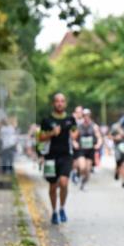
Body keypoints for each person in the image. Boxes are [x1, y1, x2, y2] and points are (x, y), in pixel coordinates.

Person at [38, 93, 79, 224]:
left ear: (65, 103)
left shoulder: (70, 119)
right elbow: (40, 137)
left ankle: (62, 208)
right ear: (53, 104)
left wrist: (74, 135)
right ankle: (54, 211)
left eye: (62, 101)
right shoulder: (46, 120)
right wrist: (52, 133)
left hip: (66, 155)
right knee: (52, 186)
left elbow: (75, 132)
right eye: (57, 101)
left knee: (64, 183)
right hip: (50, 157)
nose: (59, 103)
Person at [74, 109, 102, 190]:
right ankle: (78, 174)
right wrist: (75, 143)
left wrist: (98, 144)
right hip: (81, 150)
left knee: (87, 170)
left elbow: (99, 137)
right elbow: (73, 138)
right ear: (82, 116)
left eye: (87, 115)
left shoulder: (94, 126)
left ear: (90, 116)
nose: (86, 117)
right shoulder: (79, 126)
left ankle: (83, 183)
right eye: (84, 115)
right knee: (82, 167)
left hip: (90, 150)